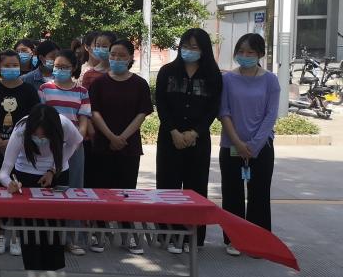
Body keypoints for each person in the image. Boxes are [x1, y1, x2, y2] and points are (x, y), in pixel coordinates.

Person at [0, 104, 84, 277]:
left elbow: (76, 142)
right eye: (36, 135)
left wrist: (54, 169)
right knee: (31, 233)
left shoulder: (64, 125)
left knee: (53, 230)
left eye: (44, 136)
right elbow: (3, 172)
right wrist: (10, 184)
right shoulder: (21, 130)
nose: (40, 139)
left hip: (57, 175)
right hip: (26, 177)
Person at [155, 28, 223, 252]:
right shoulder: (167, 72)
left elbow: (213, 108)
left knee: (196, 188)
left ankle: (193, 238)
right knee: (168, 186)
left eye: (194, 47)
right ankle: (168, 235)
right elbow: (161, 104)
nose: (189, 51)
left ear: (204, 50)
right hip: (170, 137)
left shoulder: (213, 75)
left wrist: (195, 132)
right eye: (185, 46)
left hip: (198, 140)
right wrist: (174, 131)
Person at [88, 38, 154, 253]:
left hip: (129, 145)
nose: (116, 59)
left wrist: (122, 138)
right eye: (113, 54)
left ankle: (128, 234)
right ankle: (100, 233)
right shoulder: (99, 83)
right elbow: (94, 112)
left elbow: (142, 113)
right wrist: (110, 136)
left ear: (131, 58)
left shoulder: (139, 84)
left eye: (121, 55)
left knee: (126, 191)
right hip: (102, 144)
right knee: (101, 190)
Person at [218, 33, 279, 256]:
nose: (245, 56)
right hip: (231, 145)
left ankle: (258, 241)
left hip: (261, 148)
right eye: (241, 51)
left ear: (260, 54)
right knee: (232, 193)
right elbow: (223, 112)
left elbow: (271, 114)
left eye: (250, 52)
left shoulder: (270, 80)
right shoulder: (228, 79)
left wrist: (254, 145)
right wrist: (237, 142)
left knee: (259, 195)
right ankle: (235, 240)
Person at [0, 49, 40, 253]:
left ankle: (15, 235)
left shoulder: (29, 90)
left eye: (15, 65)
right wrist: (0, 141)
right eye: (7, 65)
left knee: (19, 191)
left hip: (23, 151)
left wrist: (15, 143)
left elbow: (34, 119)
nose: (11, 68)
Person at [38, 49, 92, 255]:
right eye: (56, 66)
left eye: (64, 67)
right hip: (48, 147)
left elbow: (84, 121)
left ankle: (72, 239)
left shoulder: (82, 92)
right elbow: (41, 117)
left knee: (74, 190)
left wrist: (76, 140)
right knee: (48, 190)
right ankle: (48, 238)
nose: (59, 70)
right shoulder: (45, 89)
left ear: (74, 68)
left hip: (74, 146)